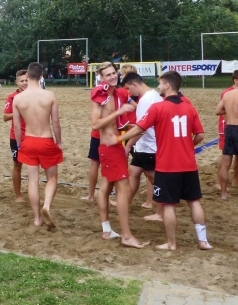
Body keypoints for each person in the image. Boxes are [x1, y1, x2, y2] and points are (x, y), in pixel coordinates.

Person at [122, 70, 211, 251]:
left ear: (167, 85)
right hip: (188, 163)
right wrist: (188, 146)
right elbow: (200, 134)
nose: (159, 87)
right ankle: (203, 241)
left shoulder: (158, 107)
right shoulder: (189, 107)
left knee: (168, 203)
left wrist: (117, 140)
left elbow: (139, 129)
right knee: (194, 201)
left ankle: (171, 243)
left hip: (167, 164)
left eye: (160, 84)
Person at [89, 62, 147, 248]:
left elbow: (136, 104)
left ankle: (107, 229)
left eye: (114, 73)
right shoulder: (101, 94)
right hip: (109, 146)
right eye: (108, 75)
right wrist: (120, 112)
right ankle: (126, 235)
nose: (112, 76)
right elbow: (95, 124)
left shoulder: (118, 93)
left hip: (115, 146)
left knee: (106, 186)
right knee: (124, 191)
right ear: (101, 77)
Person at [13, 62, 63, 229]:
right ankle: (46, 206)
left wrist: (20, 145)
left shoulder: (18, 98)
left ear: (27, 75)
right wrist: (59, 141)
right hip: (46, 140)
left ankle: (37, 218)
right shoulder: (49, 95)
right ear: (42, 76)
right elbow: (55, 123)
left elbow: (17, 126)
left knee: (32, 181)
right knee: (52, 178)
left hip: (29, 140)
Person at [121, 72, 164, 221]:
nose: (128, 92)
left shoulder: (147, 100)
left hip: (149, 146)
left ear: (134, 84)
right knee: (133, 172)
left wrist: (127, 145)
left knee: (154, 178)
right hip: (144, 145)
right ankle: (125, 202)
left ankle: (161, 211)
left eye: (128, 88)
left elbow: (141, 128)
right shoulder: (150, 97)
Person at [3, 69, 29, 202]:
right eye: (22, 81)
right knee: (17, 165)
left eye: (26, 80)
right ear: (17, 82)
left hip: (33, 136)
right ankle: (18, 195)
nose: (24, 83)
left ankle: (32, 193)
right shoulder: (12, 97)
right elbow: (5, 117)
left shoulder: (35, 95)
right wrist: (17, 111)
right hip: (16, 137)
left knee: (33, 166)